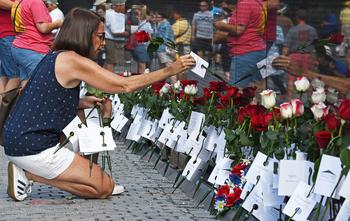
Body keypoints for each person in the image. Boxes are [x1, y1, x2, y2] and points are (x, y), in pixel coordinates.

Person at [3, 8, 196, 201]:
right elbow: (124, 85)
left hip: (20, 140)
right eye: (100, 37)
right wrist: (170, 70)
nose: (103, 43)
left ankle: (52, 171)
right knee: (104, 188)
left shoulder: (59, 55)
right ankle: (29, 174)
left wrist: (78, 102)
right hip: (31, 146)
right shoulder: (72, 60)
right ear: (84, 34)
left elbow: (46, 98)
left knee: (88, 123)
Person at [214, 0, 266, 88]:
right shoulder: (260, 3)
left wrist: (219, 25)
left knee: (237, 90)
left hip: (245, 52)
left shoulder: (245, 4)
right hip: (258, 50)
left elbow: (239, 29)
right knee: (253, 88)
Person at [11, 0, 62, 86]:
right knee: (40, 85)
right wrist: (57, 24)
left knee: (26, 86)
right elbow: (43, 28)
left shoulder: (20, 1)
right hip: (33, 49)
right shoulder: (36, 2)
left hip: (19, 47)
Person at [0, 0, 20, 93]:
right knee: (15, 77)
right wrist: (24, 5)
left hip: (7, 35)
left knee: (4, 77)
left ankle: (3, 106)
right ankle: (6, 107)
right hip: (7, 35)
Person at [104, 0, 129, 73]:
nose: (124, 7)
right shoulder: (110, 14)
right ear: (118, 5)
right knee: (111, 61)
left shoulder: (120, 14)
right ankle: (108, 78)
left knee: (113, 61)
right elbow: (115, 32)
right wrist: (127, 33)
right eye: (123, 6)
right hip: (110, 40)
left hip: (118, 40)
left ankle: (106, 76)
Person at [132, 8, 153, 74]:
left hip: (142, 47)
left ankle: (141, 83)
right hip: (141, 47)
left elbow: (144, 39)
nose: (136, 16)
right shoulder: (141, 23)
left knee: (142, 68)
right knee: (141, 68)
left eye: (138, 15)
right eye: (136, 14)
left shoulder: (146, 25)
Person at [156, 12, 175, 80]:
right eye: (156, 17)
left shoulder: (166, 25)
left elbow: (166, 39)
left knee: (170, 68)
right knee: (162, 70)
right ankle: (162, 86)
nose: (157, 19)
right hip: (161, 49)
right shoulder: (161, 24)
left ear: (162, 18)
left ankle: (175, 87)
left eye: (158, 17)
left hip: (164, 49)